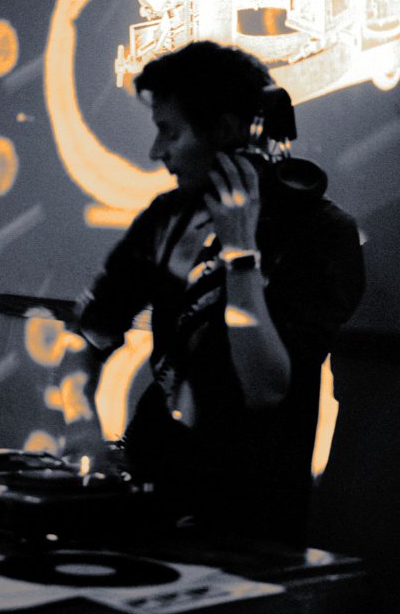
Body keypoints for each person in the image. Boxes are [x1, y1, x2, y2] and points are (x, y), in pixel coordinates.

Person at [66, 41, 364, 546]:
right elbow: (91, 334)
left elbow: (264, 386)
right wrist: (81, 424)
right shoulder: (167, 217)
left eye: (170, 132)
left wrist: (240, 253)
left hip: (252, 519)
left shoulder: (321, 233)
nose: (156, 152)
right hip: (151, 493)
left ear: (227, 133)